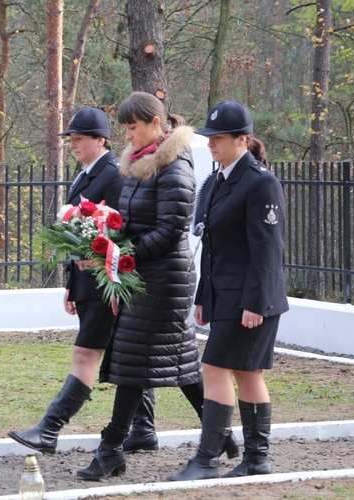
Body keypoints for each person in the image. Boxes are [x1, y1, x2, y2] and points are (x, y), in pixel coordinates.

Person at [76, 92, 236, 481]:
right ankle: (223, 435)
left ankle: (110, 448)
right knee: (176, 361)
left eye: (132, 127)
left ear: (154, 124)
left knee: (134, 362)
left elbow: (169, 231)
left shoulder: (173, 168)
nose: (127, 135)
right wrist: (104, 241)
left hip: (165, 280)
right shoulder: (137, 164)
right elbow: (129, 219)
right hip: (144, 274)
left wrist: (119, 254)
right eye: (126, 127)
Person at [168, 101, 288, 481]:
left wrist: (256, 302)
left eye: (218, 139)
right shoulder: (220, 180)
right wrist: (204, 296)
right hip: (225, 296)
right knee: (246, 374)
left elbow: (267, 250)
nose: (211, 145)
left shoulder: (259, 181)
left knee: (215, 368)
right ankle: (255, 459)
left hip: (251, 299)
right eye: (209, 138)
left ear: (242, 140)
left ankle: (208, 460)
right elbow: (214, 245)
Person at [7, 107, 124, 454]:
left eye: (78, 139)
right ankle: (144, 429)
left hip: (106, 283)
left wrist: (103, 276)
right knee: (123, 358)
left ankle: (49, 428)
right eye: (70, 139)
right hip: (87, 283)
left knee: (87, 354)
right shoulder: (85, 175)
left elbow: (118, 232)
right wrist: (72, 285)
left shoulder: (112, 175)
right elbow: (78, 235)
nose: (72, 144)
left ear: (100, 139)